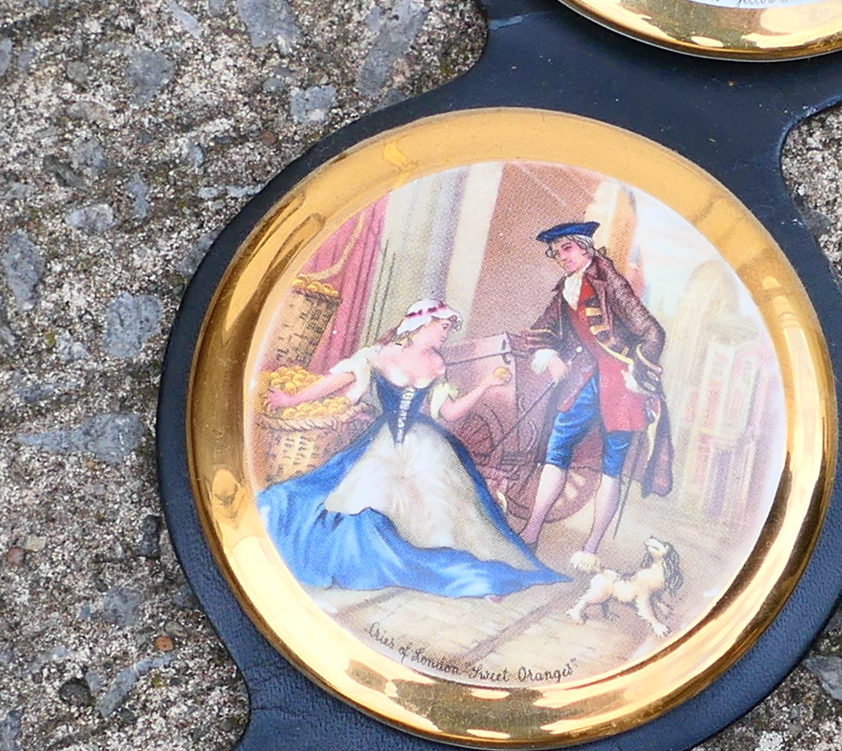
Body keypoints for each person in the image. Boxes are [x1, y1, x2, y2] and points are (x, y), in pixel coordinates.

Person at [257, 298, 558, 597]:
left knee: (443, 507)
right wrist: (293, 400)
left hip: (425, 443)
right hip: (384, 440)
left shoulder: (438, 363)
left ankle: (459, 566)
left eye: (450, 328)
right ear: (421, 323)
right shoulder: (378, 354)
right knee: (366, 494)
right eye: (443, 326)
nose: (446, 333)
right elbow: (336, 382)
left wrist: (486, 386)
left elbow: (449, 413)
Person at [503, 217, 676, 560]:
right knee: (558, 447)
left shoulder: (608, 280)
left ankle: (592, 547)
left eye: (566, 249)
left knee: (612, 466)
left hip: (624, 385)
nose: (561, 257)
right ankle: (533, 529)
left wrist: (638, 370)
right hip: (587, 377)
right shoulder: (567, 286)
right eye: (556, 253)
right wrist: (550, 354)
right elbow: (545, 328)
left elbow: (653, 333)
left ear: (584, 247)